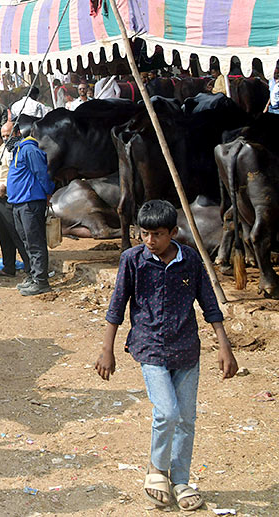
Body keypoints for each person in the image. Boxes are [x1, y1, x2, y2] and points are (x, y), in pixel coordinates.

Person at [97, 200, 237, 512]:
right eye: (144, 234)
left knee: (187, 418)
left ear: (173, 232)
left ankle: (181, 479)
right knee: (168, 413)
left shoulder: (190, 261)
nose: (150, 240)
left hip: (187, 348)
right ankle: (157, 470)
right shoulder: (132, 260)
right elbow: (117, 305)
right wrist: (107, 349)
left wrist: (224, 345)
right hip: (150, 347)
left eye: (157, 234)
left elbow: (209, 305)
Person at [7, 126, 54, 296]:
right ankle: (34, 276)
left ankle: (41, 281)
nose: (6, 138)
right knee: (26, 241)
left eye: (8, 135)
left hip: (30, 202)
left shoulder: (29, 149)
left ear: (19, 133)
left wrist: (48, 192)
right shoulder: (18, 150)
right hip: (19, 203)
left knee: (35, 242)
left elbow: (42, 173)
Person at [0, 122, 29, 278]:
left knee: (16, 234)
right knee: (4, 235)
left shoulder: (9, 152)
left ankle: (30, 267)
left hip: (7, 198)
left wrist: (4, 186)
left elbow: (13, 172)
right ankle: (8, 266)